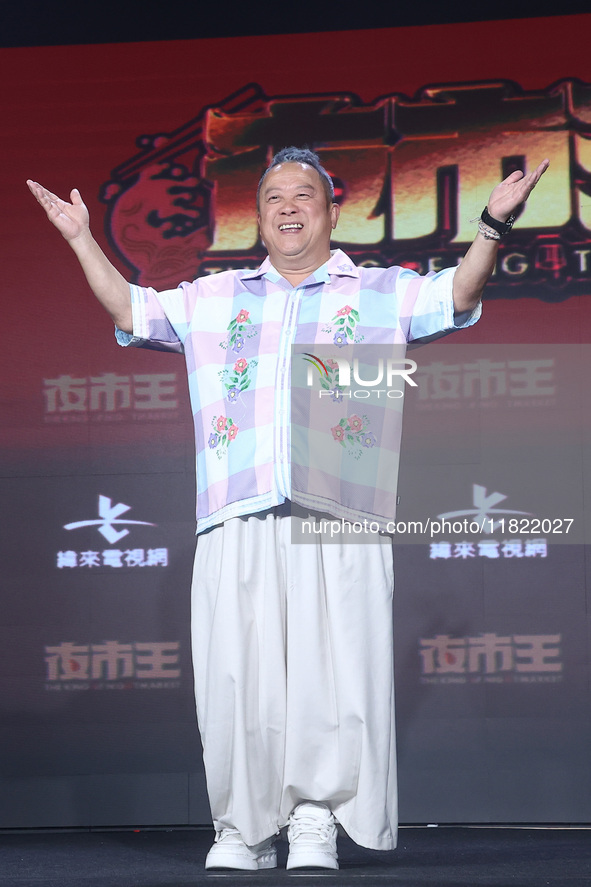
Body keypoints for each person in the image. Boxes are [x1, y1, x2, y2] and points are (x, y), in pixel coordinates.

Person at [27, 148, 548, 871]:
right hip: (236, 510)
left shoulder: (377, 291)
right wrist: (81, 236)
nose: (287, 206)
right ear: (259, 216)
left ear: (331, 210)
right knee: (236, 674)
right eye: (272, 196)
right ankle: (243, 825)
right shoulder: (216, 297)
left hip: (340, 509)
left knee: (329, 673)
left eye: (303, 194)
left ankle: (311, 819)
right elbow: (131, 308)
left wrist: (492, 224)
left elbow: (454, 295)